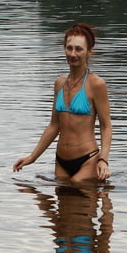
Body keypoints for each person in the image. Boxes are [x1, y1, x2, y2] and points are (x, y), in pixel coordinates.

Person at [13, 23, 112, 183]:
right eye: (69, 48)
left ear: (89, 52)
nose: (73, 54)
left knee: (76, 191)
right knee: (63, 206)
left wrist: (103, 160)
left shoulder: (96, 84)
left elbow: (106, 125)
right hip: (61, 162)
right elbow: (54, 125)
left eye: (79, 49)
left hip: (87, 160)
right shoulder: (59, 83)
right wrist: (32, 157)